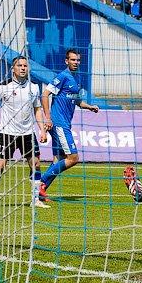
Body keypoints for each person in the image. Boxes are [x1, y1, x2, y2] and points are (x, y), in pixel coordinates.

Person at [0, 56, 48, 208]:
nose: (22, 68)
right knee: (0, 166)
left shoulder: (34, 87)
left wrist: (42, 130)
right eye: (19, 65)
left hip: (27, 134)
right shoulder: (4, 87)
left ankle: (35, 199)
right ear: (13, 69)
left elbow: (37, 109)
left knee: (36, 164)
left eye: (25, 66)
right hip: (8, 134)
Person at [38, 50, 100, 201]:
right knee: (73, 158)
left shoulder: (76, 79)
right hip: (59, 123)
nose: (76, 62)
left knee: (58, 159)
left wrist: (89, 106)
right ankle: (40, 184)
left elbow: (77, 101)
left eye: (78, 60)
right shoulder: (63, 76)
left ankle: (40, 192)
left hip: (65, 123)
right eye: (73, 60)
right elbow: (45, 94)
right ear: (66, 61)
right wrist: (47, 118)